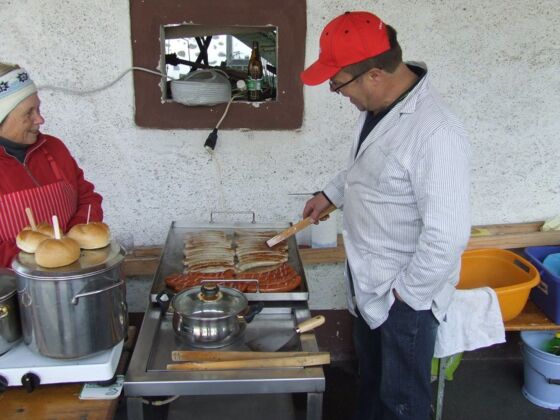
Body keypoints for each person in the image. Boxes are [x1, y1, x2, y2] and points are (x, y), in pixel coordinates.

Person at [300, 11, 471, 420]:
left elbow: (447, 236)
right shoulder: (379, 108)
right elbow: (369, 167)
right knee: (372, 387)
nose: (338, 92)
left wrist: (403, 298)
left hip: (405, 299)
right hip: (370, 285)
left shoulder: (437, 133)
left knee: (401, 404)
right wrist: (331, 194)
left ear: (374, 75)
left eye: (338, 83)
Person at [0, 63, 103, 267]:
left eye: (38, 108)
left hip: (73, 271)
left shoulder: (53, 148)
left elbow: (88, 199)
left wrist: (72, 242)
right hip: (14, 283)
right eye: (28, 113)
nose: (40, 119)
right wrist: (42, 260)